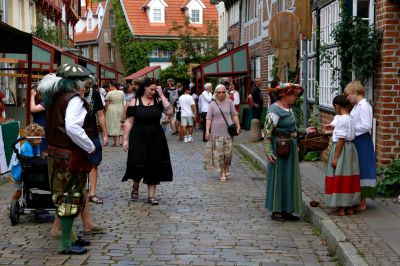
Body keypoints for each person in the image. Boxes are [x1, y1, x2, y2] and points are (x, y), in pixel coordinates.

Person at [38, 65, 94, 255]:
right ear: (78, 83)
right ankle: (65, 244)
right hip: (69, 154)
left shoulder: (53, 98)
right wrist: (89, 146)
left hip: (55, 152)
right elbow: (72, 127)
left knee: (62, 196)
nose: (86, 88)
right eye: (85, 84)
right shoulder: (74, 99)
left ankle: (71, 237)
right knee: (70, 197)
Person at [263, 83, 315, 222]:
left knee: (289, 177)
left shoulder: (289, 109)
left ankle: (287, 209)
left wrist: (305, 130)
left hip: (290, 148)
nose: (295, 98)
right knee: (279, 177)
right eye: (294, 95)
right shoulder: (274, 110)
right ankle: (277, 210)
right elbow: (266, 134)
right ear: (285, 95)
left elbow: (294, 128)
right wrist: (269, 153)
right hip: (279, 148)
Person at [122, 78, 173, 205]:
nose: (152, 92)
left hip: (156, 136)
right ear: (144, 88)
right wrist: (124, 139)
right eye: (151, 89)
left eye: (155, 89)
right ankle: (136, 183)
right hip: (138, 136)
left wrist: (161, 94)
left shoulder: (158, 100)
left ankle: (151, 196)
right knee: (138, 162)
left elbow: (170, 111)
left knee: (154, 164)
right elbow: (129, 121)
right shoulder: (135, 101)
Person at [324, 94, 360, 216]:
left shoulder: (342, 119)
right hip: (351, 149)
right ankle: (349, 206)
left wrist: (335, 157)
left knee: (339, 176)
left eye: (334, 108)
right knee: (349, 176)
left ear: (337, 106)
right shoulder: (350, 118)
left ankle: (341, 207)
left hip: (342, 149)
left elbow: (341, 139)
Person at [344, 81, 376, 211]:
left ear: (355, 92)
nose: (347, 98)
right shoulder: (357, 106)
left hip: (362, 140)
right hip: (357, 139)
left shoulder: (364, 106)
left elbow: (367, 125)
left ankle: (362, 203)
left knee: (362, 168)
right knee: (357, 168)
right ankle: (357, 200)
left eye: (348, 95)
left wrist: (351, 131)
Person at [204, 84, 241, 181]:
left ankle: (226, 167)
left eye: (223, 92)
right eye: (219, 92)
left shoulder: (229, 103)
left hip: (228, 132)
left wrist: (238, 125)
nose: (221, 94)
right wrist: (207, 131)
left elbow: (234, 115)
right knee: (220, 154)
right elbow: (208, 119)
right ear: (215, 93)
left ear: (226, 92)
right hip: (216, 133)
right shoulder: (212, 104)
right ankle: (222, 172)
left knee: (228, 154)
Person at [82, 77, 109, 204]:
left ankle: (92, 193)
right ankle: (79, 192)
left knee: (93, 163)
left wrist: (105, 134)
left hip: (91, 132)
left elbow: (101, 114)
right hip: (75, 133)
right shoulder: (72, 92)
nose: (85, 89)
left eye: (87, 87)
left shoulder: (95, 94)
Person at [10, 123, 44, 201]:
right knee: (19, 191)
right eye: (38, 139)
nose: (41, 140)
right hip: (18, 172)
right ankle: (13, 203)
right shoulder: (26, 148)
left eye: (41, 138)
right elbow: (31, 160)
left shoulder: (36, 145)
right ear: (31, 139)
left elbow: (37, 157)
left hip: (26, 169)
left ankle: (27, 199)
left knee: (28, 187)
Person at [105, 81, 125, 147]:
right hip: (120, 108)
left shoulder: (109, 93)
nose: (109, 87)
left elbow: (107, 104)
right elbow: (123, 101)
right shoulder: (122, 92)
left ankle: (115, 142)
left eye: (110, 86)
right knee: (120, 122)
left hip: (112, 108)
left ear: (112, 85)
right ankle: (121, 140)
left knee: (113, 124)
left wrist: (105, 110)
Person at [30, 86, 48, 155]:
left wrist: (32, 96)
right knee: (36, 147)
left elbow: (33, 109)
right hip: (36, 126)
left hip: (43, 126)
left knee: (43, 149)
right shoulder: (37, 101)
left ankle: (44, 164)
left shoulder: (45, 101)